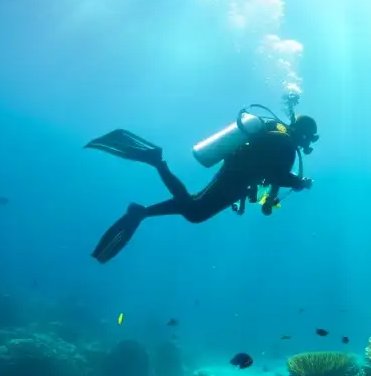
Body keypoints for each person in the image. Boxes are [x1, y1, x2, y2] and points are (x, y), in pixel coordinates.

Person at [85, 113, 318, 263]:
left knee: (195, 203)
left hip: (235, 175)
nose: (308, 143)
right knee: (195, 212)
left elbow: (274, 173)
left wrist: (269, 200)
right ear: (304, 133)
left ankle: (143, 212)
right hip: (236, 179)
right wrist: (299, 183)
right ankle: (157, 162)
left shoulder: (279, 136)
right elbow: (277, 174)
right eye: (309, 138)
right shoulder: (286, 144)